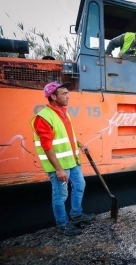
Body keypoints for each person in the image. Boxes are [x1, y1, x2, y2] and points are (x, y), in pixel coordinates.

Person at [31, 81, 95, 236]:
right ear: (53, 96)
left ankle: (76, 215)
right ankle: (63, 224)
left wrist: (79, 144)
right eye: (64, 94)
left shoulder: (63, 112)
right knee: (60, 196)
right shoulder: (43, 117)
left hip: (72, 160)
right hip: (59, 165)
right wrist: (59, 169)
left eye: (68, 93)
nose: (68, 96)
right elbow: (47, 146)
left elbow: (66, 136)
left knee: (80, 185)